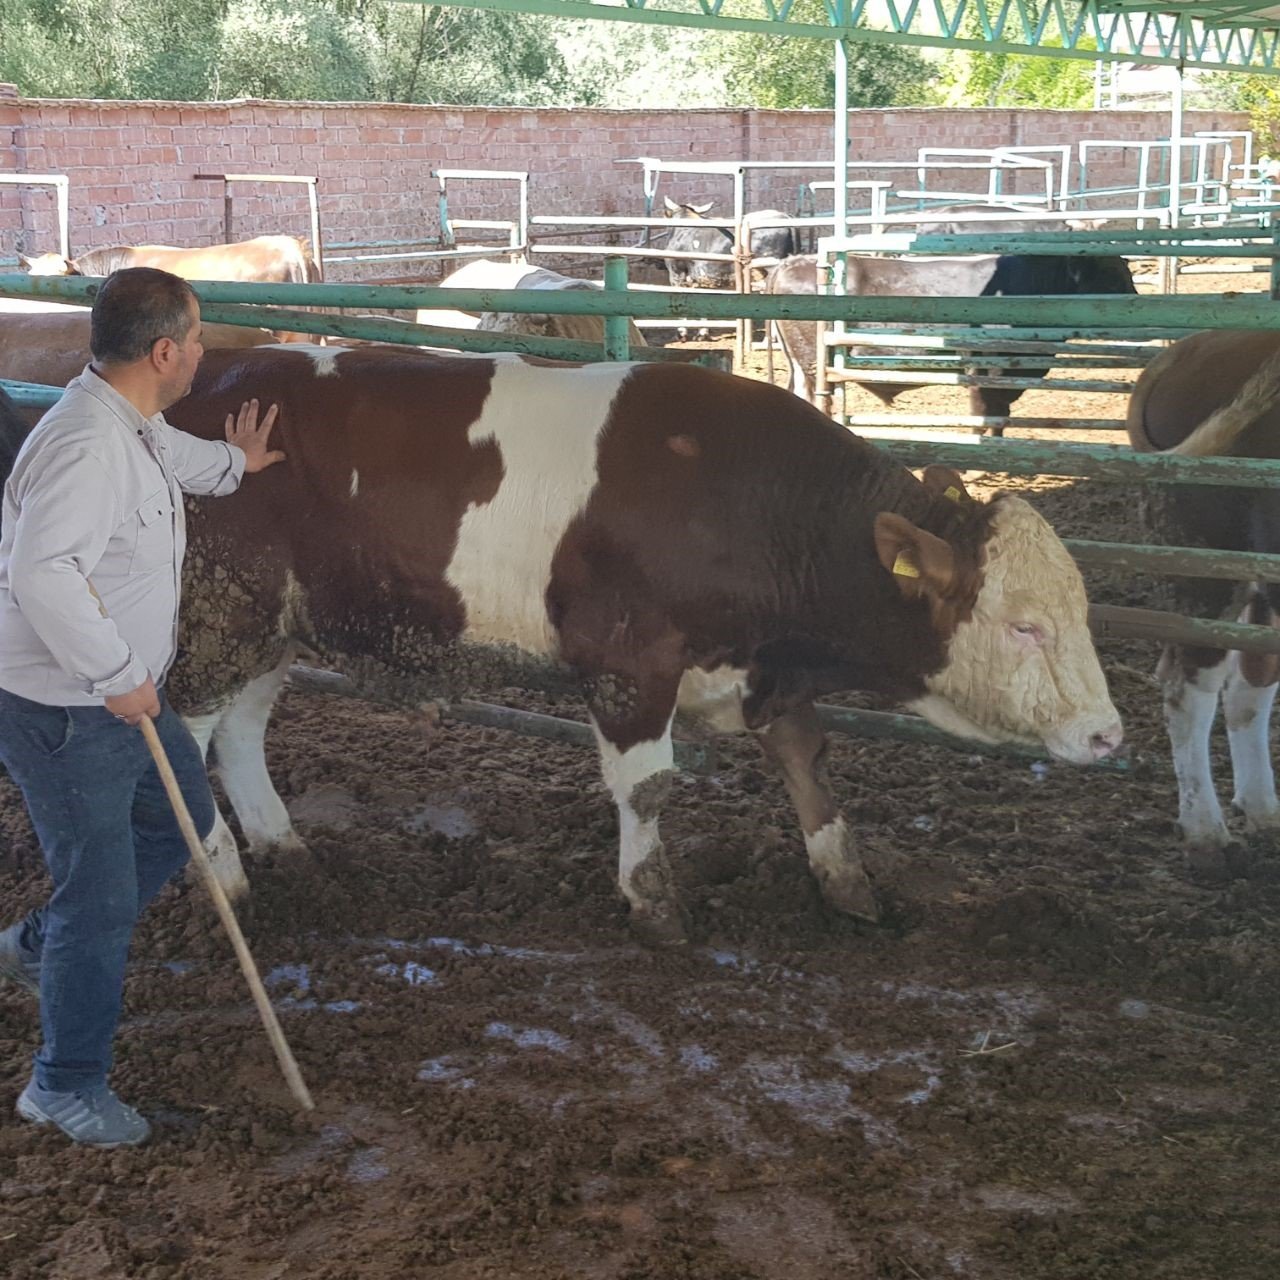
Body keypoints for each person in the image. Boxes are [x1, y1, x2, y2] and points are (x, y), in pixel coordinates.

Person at [0, 267, 285, 1147]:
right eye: (196, 341)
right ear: (164, 352)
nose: (203, 353)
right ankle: (65, 1085)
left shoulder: (132, 422)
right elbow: (41, 573)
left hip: (122, 693)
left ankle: (33, 947)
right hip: (68, 704)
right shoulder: (89, 445)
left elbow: (173, 463)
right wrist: (118, 674)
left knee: (182, 818)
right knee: (103, 897)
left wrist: (238, 463)